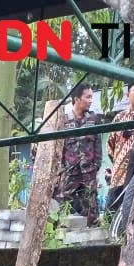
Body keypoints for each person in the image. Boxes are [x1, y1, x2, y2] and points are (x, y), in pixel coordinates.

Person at [56, 82, 102, 225]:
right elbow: (58, 145)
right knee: (62, 202)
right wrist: (60, 169)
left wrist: (96, 166)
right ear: (77, 99)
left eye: (91, 97)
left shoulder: (93, 119)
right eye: (87, 97)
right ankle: (58, 235)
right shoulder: (63, 119)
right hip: (70, 171)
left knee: (91, 206)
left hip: (89, 171)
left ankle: (93, 238)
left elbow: (97, 144)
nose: (91, 100)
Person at [107, 82, 134, 211]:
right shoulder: (120, 117)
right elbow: (110, 144)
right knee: (113, 207)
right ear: (128, 95)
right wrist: (117, 161)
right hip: (120, 172)